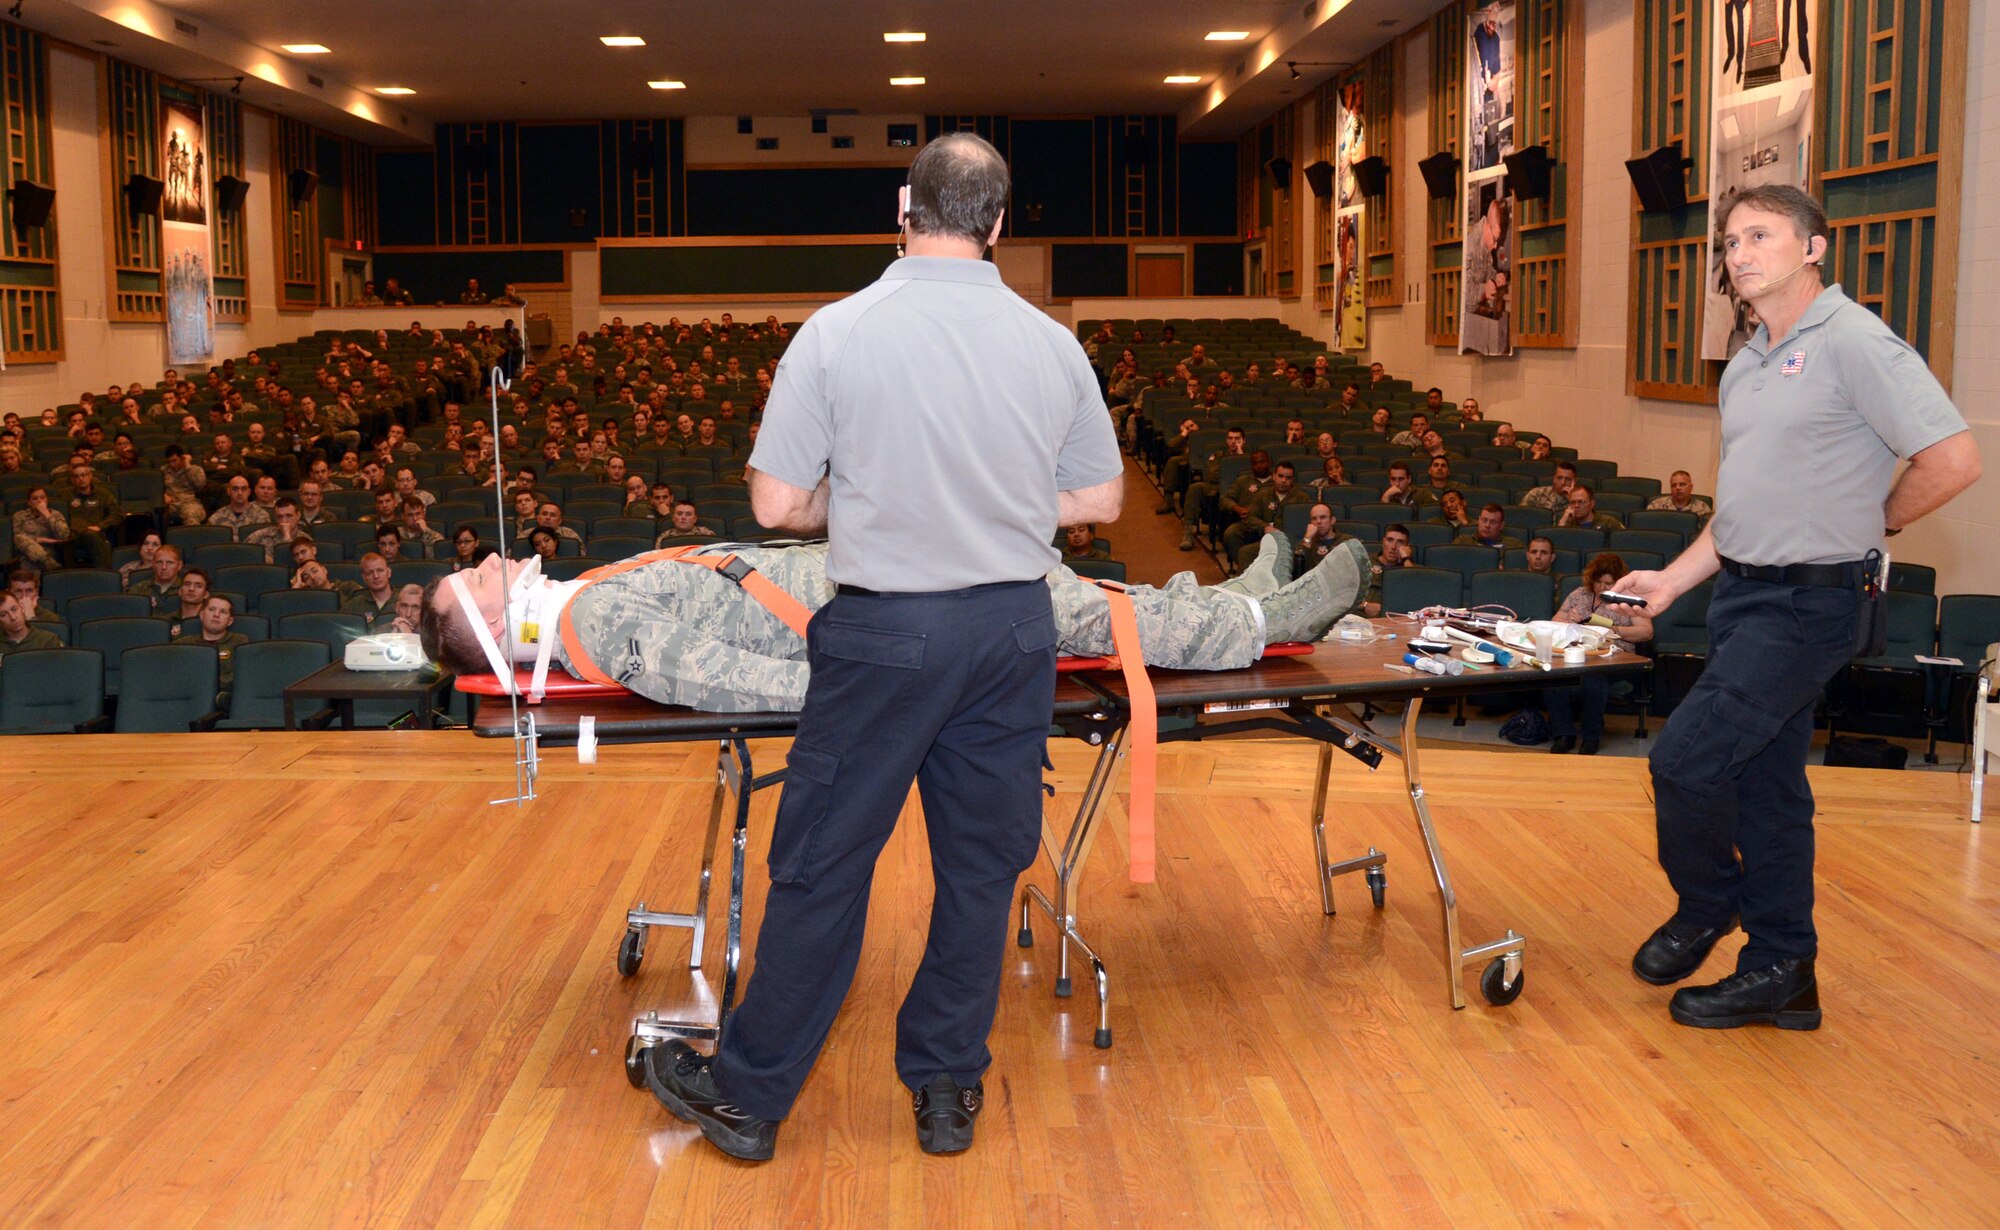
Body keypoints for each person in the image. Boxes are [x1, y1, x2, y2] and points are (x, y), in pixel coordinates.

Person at [611, 134, 1132, 1164]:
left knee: (822, 867)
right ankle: (944, 1088)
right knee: (980, 871)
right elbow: (1102, 499)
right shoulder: (1049, 341)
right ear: (999, 221)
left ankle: (750, 1099)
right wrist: (993, 500)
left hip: (887, 632)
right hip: (1010, 629)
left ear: (903, 206)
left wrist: (859, 503)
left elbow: (773, 502)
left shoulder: (836, 333)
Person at [1615, 185, 1979, 1032]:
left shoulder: (1853, 341)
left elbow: (1955, 459)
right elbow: (1746, 505)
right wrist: (1672, 581)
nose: (1739, 253)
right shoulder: (1745, 361)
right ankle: (1784, 971)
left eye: (1761, 235)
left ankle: (1711, 903)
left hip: (1810, 605)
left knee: (1686, 761)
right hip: (1743, 595)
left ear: (1814, 247)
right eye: (1731, 239)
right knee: (1768, 790)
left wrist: (1874, 518)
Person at [1543, 553, 1653, 755]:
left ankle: (1590, 737)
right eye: (1598, 582)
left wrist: (1614, 631)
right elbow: (1555, 620)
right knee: (1553, 678)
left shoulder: (1628, 601)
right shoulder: (1579, 594)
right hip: (1577, 653)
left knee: (1593, 679)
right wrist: (1570, 621)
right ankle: (1563, 734)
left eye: (1608, 583)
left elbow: (1646, 632)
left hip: (1613, 657)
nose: (1602, 587)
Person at [172, 595, 249, 701]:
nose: (216, 615)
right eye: (211, 610)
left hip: (222, 700)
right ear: (202, 615)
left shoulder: (239, 643)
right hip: (185, 699)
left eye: (223, 612)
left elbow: (240, 677)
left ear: (230, 621)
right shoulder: (183, 644)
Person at [11, 486, 73, 569]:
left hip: (50, 552)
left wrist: (47, 514)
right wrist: (42, 540)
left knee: (29, 563)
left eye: (43, 497)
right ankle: (46, 561)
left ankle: (46, 562)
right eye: (35, 498)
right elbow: (18, 539)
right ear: (29, 502)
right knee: (19, 539)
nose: (40, 501)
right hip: (26, 553)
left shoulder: (55, 514)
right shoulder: (19, 516)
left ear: (47, 500)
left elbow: (64, 535)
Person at [0, 591, 62, 663]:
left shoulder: (48, 640)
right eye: (3, 615)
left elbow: (56, 671)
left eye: (14, 609)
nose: (13, 617)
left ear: (21, 608)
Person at [1647, 470, 1714, 522]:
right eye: (1674, 485)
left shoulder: (1702, 508)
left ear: (1691, 487)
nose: (1678, 488)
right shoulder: (1656, 505)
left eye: (1682, 484)